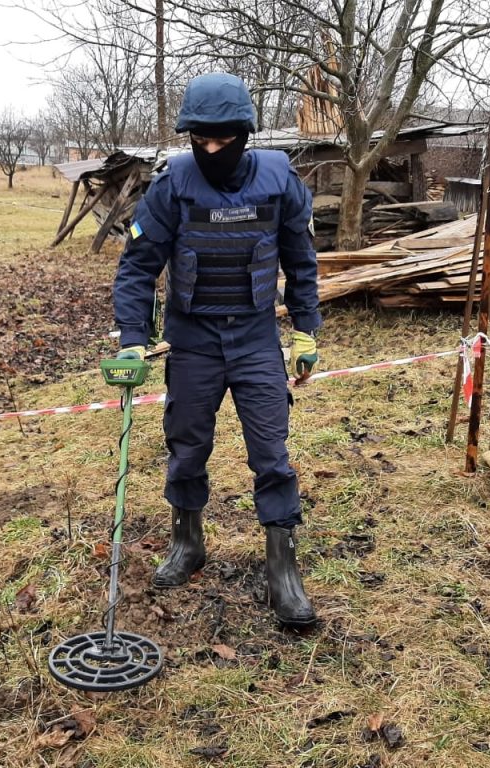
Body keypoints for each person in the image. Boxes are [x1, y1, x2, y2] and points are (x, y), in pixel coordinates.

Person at [113, 72, 322, 626]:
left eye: (222, 139)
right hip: (193, 339)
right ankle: (188, 542)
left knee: (271, 453)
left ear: (245, 134)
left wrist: (306, 329)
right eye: (199, 140)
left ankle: (283, 569)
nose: (210, 149)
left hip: (255, 337)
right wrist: (133, 341)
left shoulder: (279, 181)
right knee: (185, 445)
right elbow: (136, 268)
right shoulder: (172, 185)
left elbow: (301, 263)